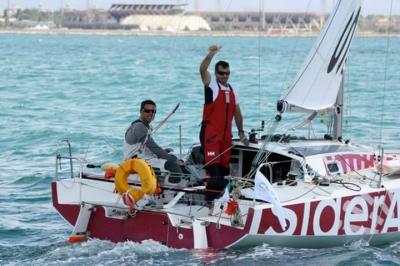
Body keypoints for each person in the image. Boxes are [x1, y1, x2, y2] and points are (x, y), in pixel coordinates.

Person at [199, 45, 246, 198]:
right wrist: (211, 54)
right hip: (211, 135)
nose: (224, 76)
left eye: (227, 73)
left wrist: (241, 132)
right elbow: (202, 70)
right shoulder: (212, 86)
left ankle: (223, 202)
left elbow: (238, 114)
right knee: (215, 173)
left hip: (226, 138)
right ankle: (208, 201)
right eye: (221, 73)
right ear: (216, 73)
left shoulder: (233, 90)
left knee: (225, 173)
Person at [123, 99, 183, 183]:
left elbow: (146, 146)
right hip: (136, 162)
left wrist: (165, 152)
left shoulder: (147, 126)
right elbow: (154, 148)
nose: (150, 113)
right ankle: (167, 190)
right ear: (141, 111)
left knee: (173, 158)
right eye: (147, 111)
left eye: (153, 111)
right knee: (174, 167)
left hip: (144, 158)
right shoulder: (139, 127)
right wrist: (174, 161)